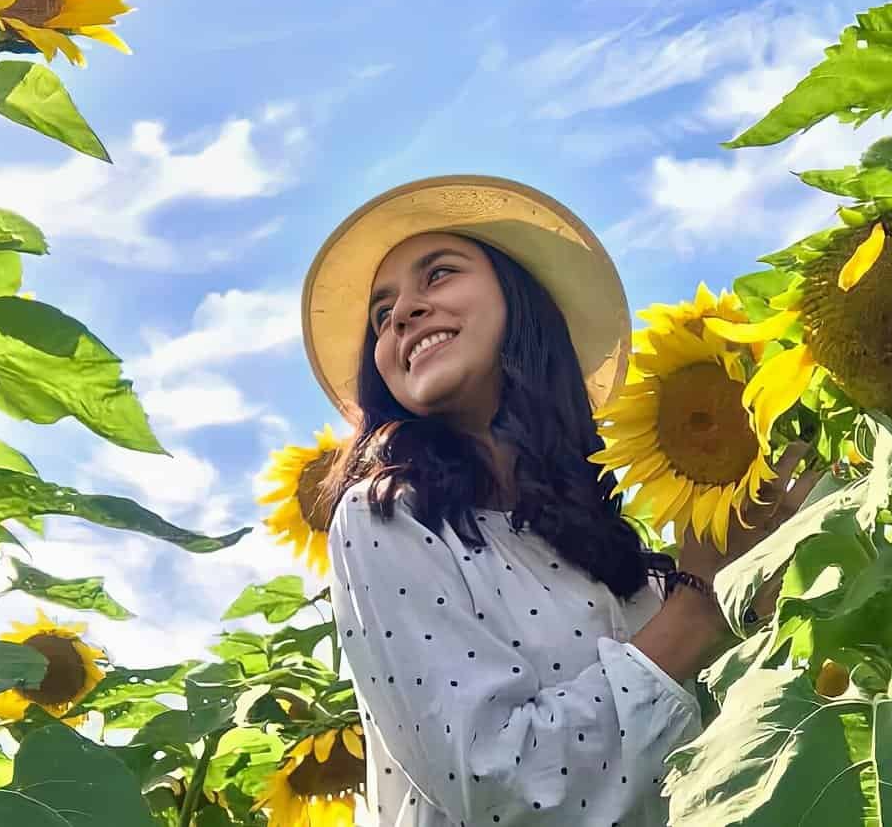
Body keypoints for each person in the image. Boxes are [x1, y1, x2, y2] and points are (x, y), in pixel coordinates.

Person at [299, 175, 820, 826]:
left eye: (437, 275)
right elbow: (494, 783)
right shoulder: (385, 519)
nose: (402, 313)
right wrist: (700, 609)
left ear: (522, 301)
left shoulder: (619, 558)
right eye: (382, 314)